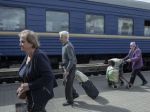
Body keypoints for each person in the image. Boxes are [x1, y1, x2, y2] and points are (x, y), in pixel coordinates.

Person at [17, 30, 55, 112]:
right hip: (31, 93)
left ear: (31, 43)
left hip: (41, 93)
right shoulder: (28, 55)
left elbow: (48, 77)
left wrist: (29, 86)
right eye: (20, 41)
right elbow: (25, 73)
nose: (20, 44)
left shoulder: (39, 56)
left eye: (22, 42)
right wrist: (23, 87)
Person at [59, 31, 79, 106]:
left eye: (61, 37)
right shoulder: (64, 45)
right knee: (66, 83)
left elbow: (72, 60)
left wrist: (67, 70)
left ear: (65, 37)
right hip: (67, 67)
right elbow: (67, 58)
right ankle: (75, 94)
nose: (59, 38)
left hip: (70, 68)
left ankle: (70, 101)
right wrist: (63, 63)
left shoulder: (68, 46)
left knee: (68, 84)